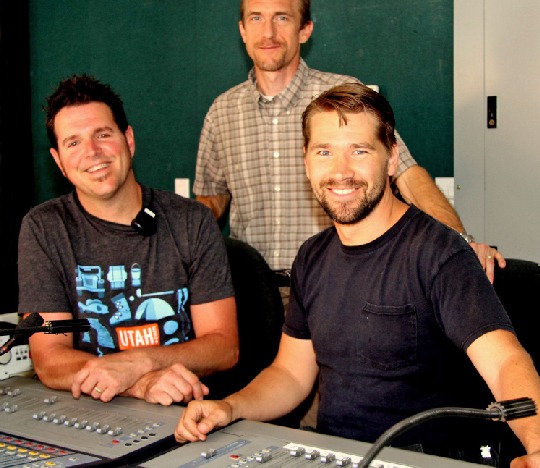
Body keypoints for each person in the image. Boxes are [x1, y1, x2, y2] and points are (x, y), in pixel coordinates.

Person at [175, 83, 540, 466]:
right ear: (306, 160)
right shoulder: (312, 257)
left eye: (359, 151)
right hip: (335, 456)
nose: (340, 171)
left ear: (391, 157)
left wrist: (535, 443)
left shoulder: (439, 252)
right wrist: (229, 408)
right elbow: (290, 376)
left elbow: (504, 362)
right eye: (324, 152)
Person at [193, 0, 505, 286]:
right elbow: (211, 201)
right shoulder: (222, 112)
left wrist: (462, 242)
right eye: (256, 18)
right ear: (243, 30)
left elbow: (408, 176)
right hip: (251, 293)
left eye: (282, 18)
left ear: (305, 30)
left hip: (334, 285)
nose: (268, 32)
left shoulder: (342, 96)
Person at [18, 75, 239, 406]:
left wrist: (141, 362)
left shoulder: (191, 220)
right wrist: (140, 383)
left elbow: (224, 347)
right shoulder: (44, 228)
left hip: (185, 411)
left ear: (129, 139)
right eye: (73, 143)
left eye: (103, 135)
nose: (92, 153)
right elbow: (49, 358)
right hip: (89, 411)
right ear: (59, 162)